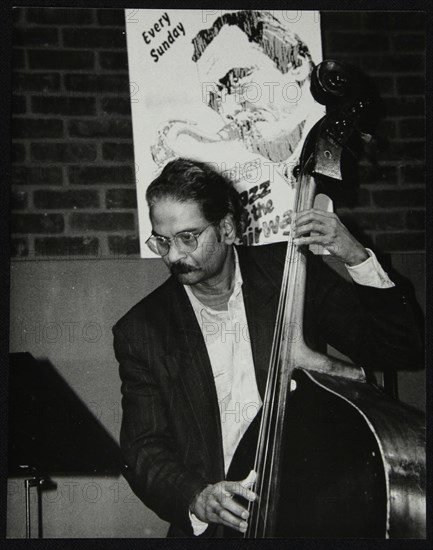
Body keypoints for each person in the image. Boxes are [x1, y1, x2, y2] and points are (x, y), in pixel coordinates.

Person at [113, 158, 422, 538]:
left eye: (188, 238)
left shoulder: (290, 273)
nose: (174, 256)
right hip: (219, 528)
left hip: (313, 510)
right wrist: (197, 497)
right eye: (162, 240)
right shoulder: (142, 330)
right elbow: (144, 448)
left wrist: (354, 255)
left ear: (226, 228)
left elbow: (400, 348)